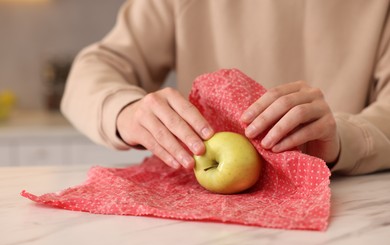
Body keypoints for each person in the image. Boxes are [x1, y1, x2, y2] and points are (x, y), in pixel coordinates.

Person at [61, 0, 390, 175]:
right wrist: (125, 111)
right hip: (211, 219)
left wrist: (343, 139)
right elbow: (94, 68)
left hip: (350, 211)